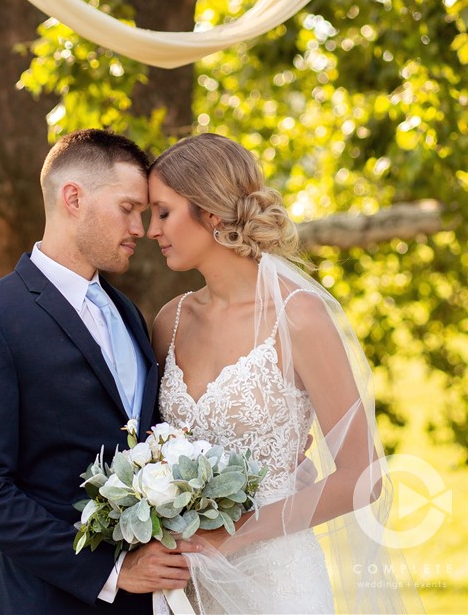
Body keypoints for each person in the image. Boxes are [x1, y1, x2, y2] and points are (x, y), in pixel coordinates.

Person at [149, 133, 423, 615]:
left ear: (210, 213)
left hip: (278, 582)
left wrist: (229, 538)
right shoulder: (170, 321)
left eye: (163, 212)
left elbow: (365, 476)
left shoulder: (298, 318)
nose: (152, 229)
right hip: (185, 587)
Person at [0, 129, 196, 615]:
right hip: (46, 600)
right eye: (128, 208)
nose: (140, 228)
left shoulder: (129, 314)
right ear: (73, 198)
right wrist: (112, 572)